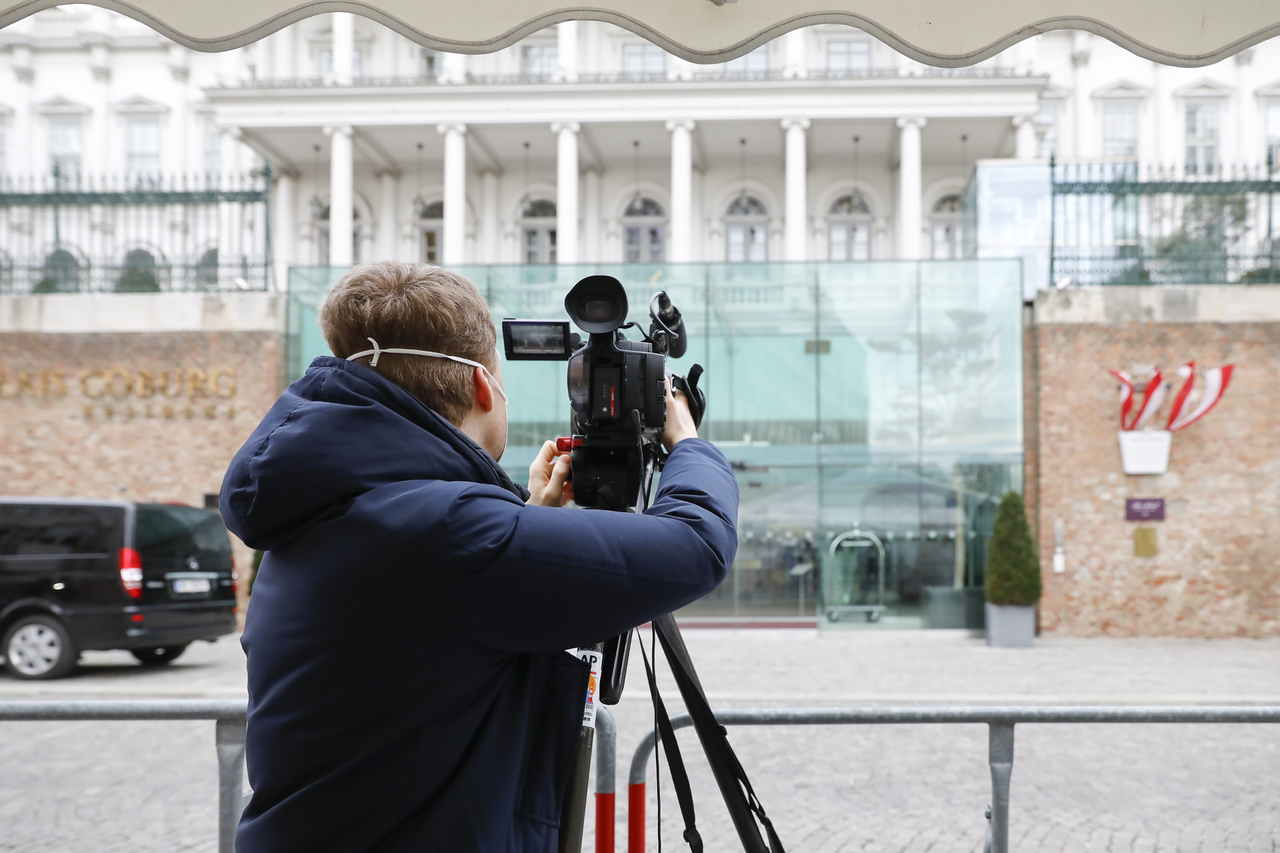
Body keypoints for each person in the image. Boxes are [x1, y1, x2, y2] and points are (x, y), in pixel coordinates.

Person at [220, 261, 738, 852]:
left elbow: (430, 639)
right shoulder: (455, 534)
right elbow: (700, 542)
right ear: (482, 386)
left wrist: (528, 520)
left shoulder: (322, 508)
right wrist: (686, 439)